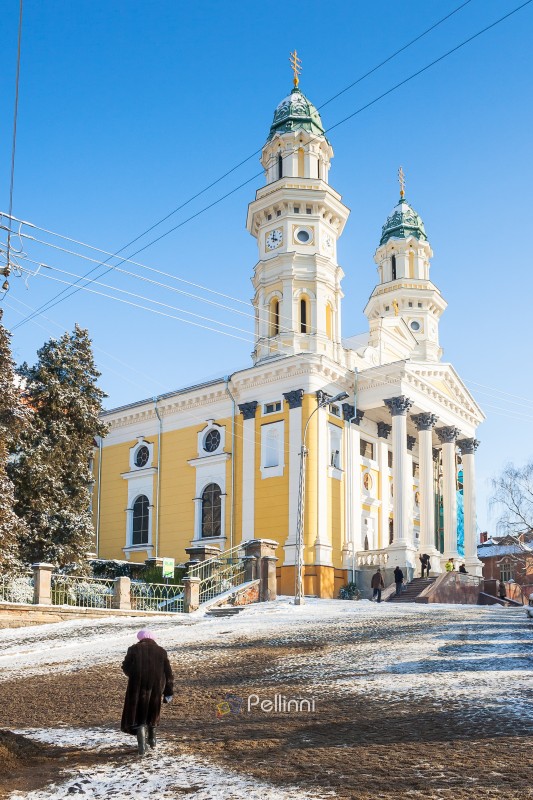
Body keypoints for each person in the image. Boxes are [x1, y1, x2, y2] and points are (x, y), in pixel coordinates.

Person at [121, 630, 174, 756]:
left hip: (136, 687)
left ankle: (142, 747)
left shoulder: (133, 649)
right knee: (152, 712)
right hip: (156, 687)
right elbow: (169, 673)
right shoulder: (161, 651)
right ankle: (152, 740)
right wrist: (168, 691)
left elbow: (125, 666)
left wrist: (134, 674)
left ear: (140, 638)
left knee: (139, 715)